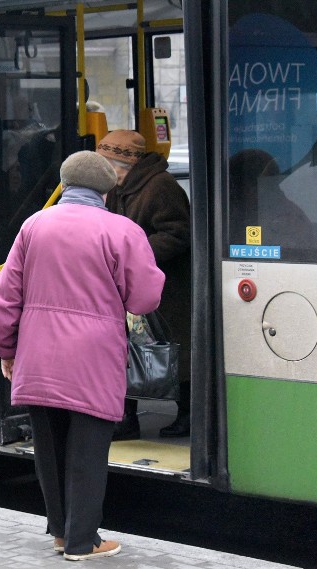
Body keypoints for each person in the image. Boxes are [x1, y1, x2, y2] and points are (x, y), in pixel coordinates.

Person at [0, 151, 164, 561]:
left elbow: (5, 298)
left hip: (37, 356)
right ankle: (84, 542)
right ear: (107, 191)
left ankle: (61, 534)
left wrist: (6, 349)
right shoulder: (122, 231)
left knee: (48, 450)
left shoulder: (34, 226)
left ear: (65, 186)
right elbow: (144, 298)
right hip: (93, 359)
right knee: (87, 453)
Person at [96, 130, 192, 439]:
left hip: (167, 287)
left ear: (121, 164)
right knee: (125, 351)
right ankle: (126, 418)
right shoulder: (123, 187)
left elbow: (178, 233)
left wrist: (135, 253)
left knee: (174, 352)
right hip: (133, 283)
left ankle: (189, 415)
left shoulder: (160, 187)